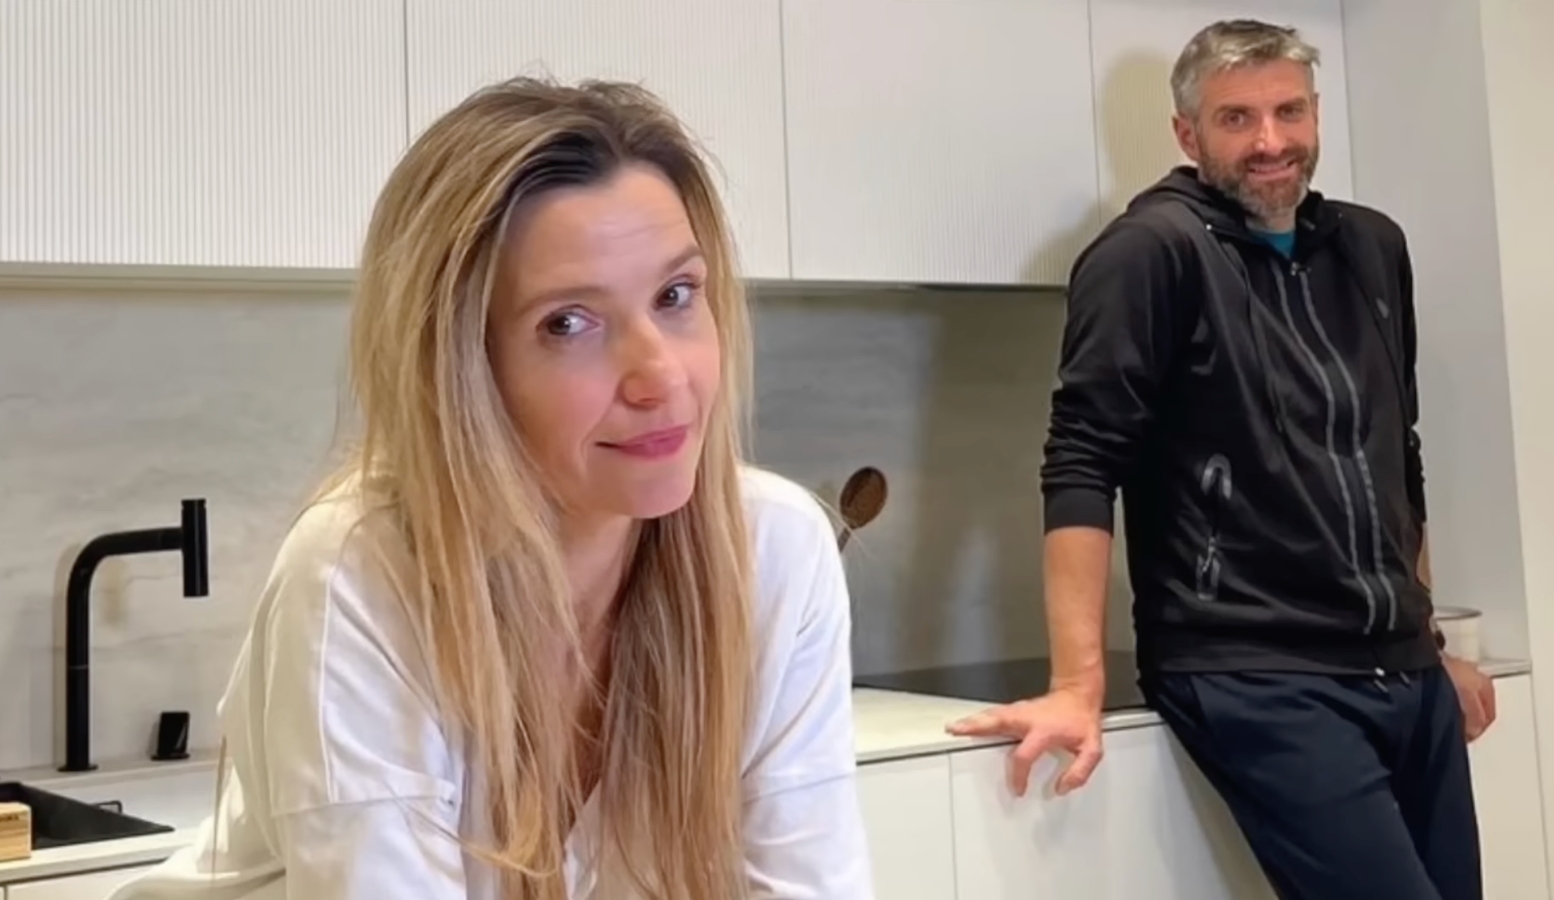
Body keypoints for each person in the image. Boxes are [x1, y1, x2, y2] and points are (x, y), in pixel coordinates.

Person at [108, 76, 873, 900]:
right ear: (462, 367)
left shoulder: (774, 551)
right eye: (568, 323)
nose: (661, 375)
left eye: (676, 295)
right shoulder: (361, 574)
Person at [948, 18, 1495, 900]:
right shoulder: (1149, 254)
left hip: (1403, 670)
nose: (1271, 141)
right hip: (1256, 670)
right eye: (1237, 118)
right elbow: (1082, 461)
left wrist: (1427, 641)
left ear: (1316, 114)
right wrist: (1075, 684)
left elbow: (1397, 456)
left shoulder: (1370, 247)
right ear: (1187, 133)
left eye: (1289, 112)